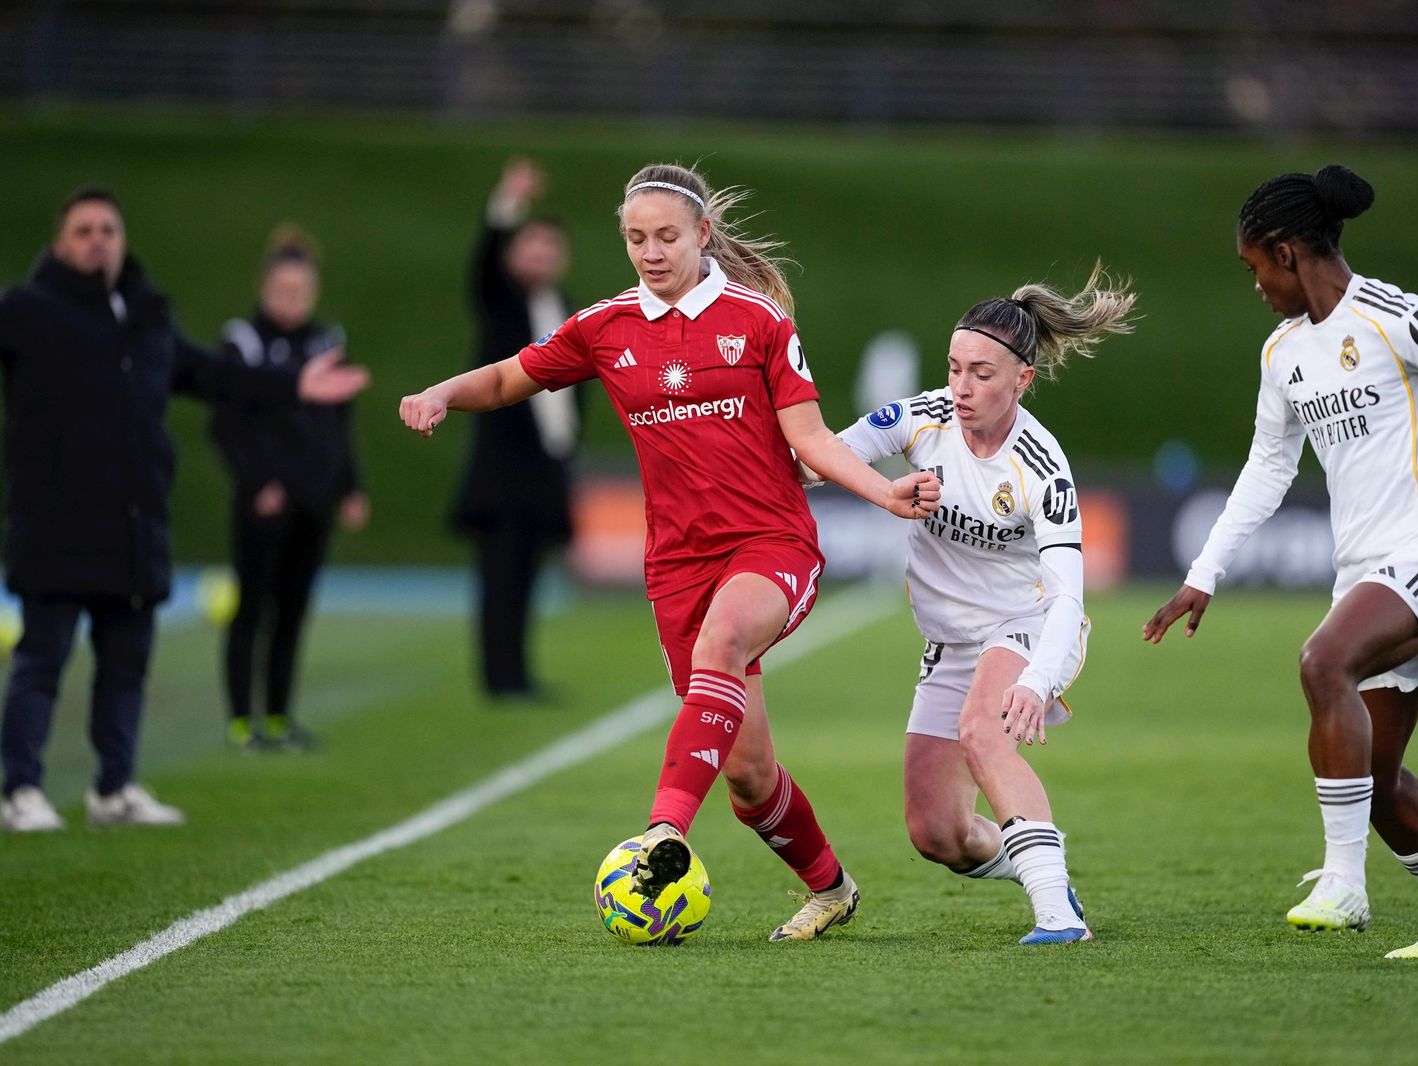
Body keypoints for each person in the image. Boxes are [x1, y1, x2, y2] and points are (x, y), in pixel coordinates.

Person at [401, 162, 940, 940]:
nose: (650, 252)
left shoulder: (759, 321)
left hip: (771, 542)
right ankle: (832, 888)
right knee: (750, 778)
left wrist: (886, 493)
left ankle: (662, 833)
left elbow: (811, 438)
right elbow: (511, 377)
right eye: (634, 238)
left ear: (701, 236)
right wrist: (443, 393)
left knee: (725, 640)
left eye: (665, 236)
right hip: (678, 566)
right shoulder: (604, 326)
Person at [1143, 164, 1418, 957]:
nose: (1254, 285)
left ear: (1286, 252)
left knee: (1323, 663)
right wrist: (1201, 573)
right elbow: (1267, 469)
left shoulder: (1394, 316)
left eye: (1253, 267)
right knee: (1376, 782)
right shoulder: (1282, 352)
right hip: (1365, 572)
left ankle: (1343, 883)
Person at [0, 187, 368, 832]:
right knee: (43, 659)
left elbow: (209, 376)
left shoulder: (144, 318)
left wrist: (293, 384)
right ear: (59, 244)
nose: (97, 239)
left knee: (126, 661)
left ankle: (114, 788)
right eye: (82, 229)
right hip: (56, 520)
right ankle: (20, 790)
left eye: (108, 228)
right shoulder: (27, 312)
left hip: (133, 525)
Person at [827, 271, 1135, 944]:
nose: (961, 387)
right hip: (951, 643)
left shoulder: (1041, 465)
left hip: (1028, 625)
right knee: (937, 833)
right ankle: (1042, 868)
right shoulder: (922, 418)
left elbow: (1066, 594)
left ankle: (1056, 916)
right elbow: (824, 457)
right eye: (954, 368)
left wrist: (1035, 679)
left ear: (1022, 381)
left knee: (982, 730)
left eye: (982, 374)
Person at [211, 227, 369, 751]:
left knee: (294, 609)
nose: (291, 300)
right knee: (252, 608)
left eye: (301, 291)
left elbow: (338, 424)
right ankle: (241, 721)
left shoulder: (326, 343)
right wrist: (258, 482)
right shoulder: (243, 342)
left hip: (314, 498)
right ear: (263, 286)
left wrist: (349, 487)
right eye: (282, 290)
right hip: (264, 501)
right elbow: (227, 424)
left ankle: (279, 717)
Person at [452, 159, 580, 700]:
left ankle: (519, 675)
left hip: (546, 468)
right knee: (499, 580)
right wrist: (507, 202)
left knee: (528, 581)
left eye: (549, 248)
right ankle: (498, 678)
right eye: (530, 246)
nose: (540, 256)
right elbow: (483, 266)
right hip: (503, 472)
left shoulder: (566, 310)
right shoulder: (503, 303)